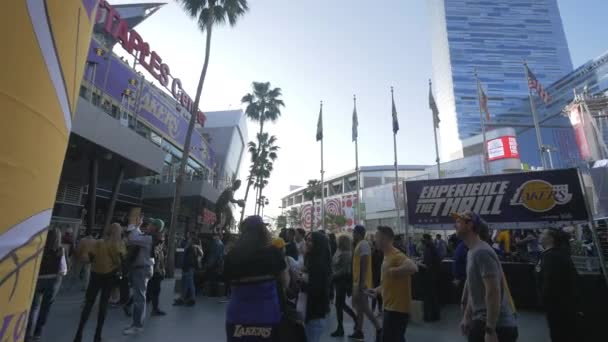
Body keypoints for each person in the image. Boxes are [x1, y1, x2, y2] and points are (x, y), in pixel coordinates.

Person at [453, 211, 518, 342]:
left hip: (497, 326)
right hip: (481, 321)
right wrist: (467, 316)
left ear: (470, 225)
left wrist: (490, 329)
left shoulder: (481, 252)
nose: (455, 225)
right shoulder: (472, 251)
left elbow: (493, 292)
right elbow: (474, 289)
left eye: (458, 222)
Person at [224, 216, 289, 341]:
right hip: (267, 315)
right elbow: (285, 282)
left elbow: (227, 280)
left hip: (237, 315)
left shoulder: (232, 255)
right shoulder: (273, 253)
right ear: (263, 231)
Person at [74, 223, 126, 342]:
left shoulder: (98, 243)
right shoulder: (120, 244)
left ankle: (79, 334)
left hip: (95, 275)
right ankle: (97, 335)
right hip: (109, 276)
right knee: (103, 305)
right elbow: (121, 261)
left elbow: (89, 258)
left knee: (88, 304)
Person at [371, 226, 418, 342]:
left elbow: (413, 267)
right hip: (389, 307)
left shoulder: (396, 255)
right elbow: (388, 282)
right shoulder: (386, 257)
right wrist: (376, 290)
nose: (374, 240)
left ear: (385, 239)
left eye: (377, 237)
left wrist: (395, 271)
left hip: (397, 310)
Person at [123, 218, 164, 335]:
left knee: (139, 298)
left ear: (155, 227)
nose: (148, 225)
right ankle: (135, 323)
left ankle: (137, 326)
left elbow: (132, 238)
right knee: (139, 297)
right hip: (143, 268)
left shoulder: (149, 238)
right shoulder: (151, 237)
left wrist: (137, 226)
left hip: (142, 269)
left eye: (150, 223)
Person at [537, 228, 578, 342]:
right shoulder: (552, 254)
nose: (540, 235)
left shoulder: (552, 256)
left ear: (551, 238)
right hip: (560, 303)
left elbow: (550, 282)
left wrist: (545, 299)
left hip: (558, 303)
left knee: (559, 332)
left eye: (543, 233)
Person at [26, 227, 67, 341]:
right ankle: (38, 332)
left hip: (39, 279)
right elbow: (63, 270)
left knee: (34, 307)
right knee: (46, 308)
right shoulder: (60, 250)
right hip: (53, 281)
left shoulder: (40, 248)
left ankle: (28, 332)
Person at [350, 225, 382, 341]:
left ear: (358, 233)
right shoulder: (360, 245)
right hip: (358, 281)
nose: (353, 235)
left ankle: (379, 328)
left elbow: (364, 263)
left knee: (364, 308)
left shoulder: (363, 244)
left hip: (362, 282)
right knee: (359, 307)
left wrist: (362, 282)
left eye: (354, 232)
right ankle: (359, 331)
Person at [301, 232, 332, 342]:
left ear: (318, 244)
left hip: (314, 314)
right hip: (313, 312)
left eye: (311, 240)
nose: (307, 243)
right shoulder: (314, 260)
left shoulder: (318, 264)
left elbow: (315, 290)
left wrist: (299, 280)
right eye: (307, 240)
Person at [330, 234, 357, 337]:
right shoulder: (339, 251)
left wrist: (333, 275)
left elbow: (345, 270)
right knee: (340, 305)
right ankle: (352, 320)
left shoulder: (346, 253)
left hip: (342, 282)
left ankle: (341, 327)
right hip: (337, 281)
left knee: (339, 305)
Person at [174, 231, 202, 306]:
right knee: (186, 282)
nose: (187, 236)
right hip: (189, 266)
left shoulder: (191, 245)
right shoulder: (195, 245)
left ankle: (191, 299)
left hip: (188, 266)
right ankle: (183, 298)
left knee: (189, 282)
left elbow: (181, 251)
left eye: (189, 235)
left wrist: (179, 245)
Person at [146, 224, 167, 316]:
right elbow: (156, 257)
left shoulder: (155, 242)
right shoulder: (154, 242)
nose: (163, 238)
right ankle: (155, 309)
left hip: (155, 269)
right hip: (154, 270)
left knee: (150, 290)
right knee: (153, 290)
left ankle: (155, 308)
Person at [420, 234, 441, 322]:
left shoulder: (428, 248)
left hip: (429, 276)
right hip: (434, 275)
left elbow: (427, 265)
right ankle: (435, 316)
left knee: (428, 297)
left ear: (426, 239)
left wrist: (418, 264)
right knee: (434, 296)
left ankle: (429, 317)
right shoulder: (433, 247)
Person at [371, 237, 384, 316]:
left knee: (379, 294)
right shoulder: (373, 253)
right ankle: (373, 310)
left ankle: (379, 310)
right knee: (375, 293)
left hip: (380, 275)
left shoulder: (381, 253)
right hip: (375, 276)